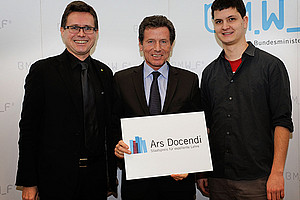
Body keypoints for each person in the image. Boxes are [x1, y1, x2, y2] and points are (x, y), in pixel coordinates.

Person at [16, 1, 117, 200]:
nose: (81, 34)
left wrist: (109, 177)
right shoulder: (42, 71)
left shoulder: (105, 73)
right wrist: (29, 182)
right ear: (62, 31)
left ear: (96, 32)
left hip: (96, 180)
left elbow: (110, 129)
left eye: (88, 28)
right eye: (74, 28)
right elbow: (29, 129)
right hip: (54, 181)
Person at [198, 0, 294, 200]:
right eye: (218, 21)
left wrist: (276, 173)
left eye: (231, 19)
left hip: (258, 180)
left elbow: (282, 122)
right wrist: (203, 171)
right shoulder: (208, 73)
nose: (225, 26)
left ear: (245, 21)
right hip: (218, 180)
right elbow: (206, 126)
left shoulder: (271, 67)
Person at [113, 15, 201, 200]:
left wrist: (189, 165)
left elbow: (197, 132)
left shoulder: (189, 81)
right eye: (150, 41)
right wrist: (118, 148)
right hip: (137, 187)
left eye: (163, 41)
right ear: (140, 44)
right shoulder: (121, 80)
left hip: (177, 186)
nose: (157, 48)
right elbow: (113, 127)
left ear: (171, 44)